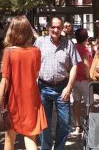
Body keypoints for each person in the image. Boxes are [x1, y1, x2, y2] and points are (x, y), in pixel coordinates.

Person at [0, 16, 47, 150]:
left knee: (9, 138)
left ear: (12, 30)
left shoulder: (9, 52)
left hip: (13, 99)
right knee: (30, 138)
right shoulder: (36, 52)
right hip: (31, 99)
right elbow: (35, 75)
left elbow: (4, 82)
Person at [34, 16, 81, 150]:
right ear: (48, 28)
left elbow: (74, 66)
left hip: (62, 87)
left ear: (62, 28)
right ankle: (46, 147)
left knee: (65, 123)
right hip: (43, 87)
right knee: (44, 123)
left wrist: (69, 87)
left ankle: (59, 147)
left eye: (58, 27)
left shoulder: (68, 44)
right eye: (53, 27)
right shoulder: (39, 42)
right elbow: (32, 64)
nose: (55, 29)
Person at [71, 28, 93, 136]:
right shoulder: (84, 49)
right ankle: (89, 126)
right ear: (86, 38)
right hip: (84, 80)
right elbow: (86, 65)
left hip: (75, 79)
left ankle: (77, 126)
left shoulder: (74, 47)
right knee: (90, 103)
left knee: (76, 102)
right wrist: (90, 77)